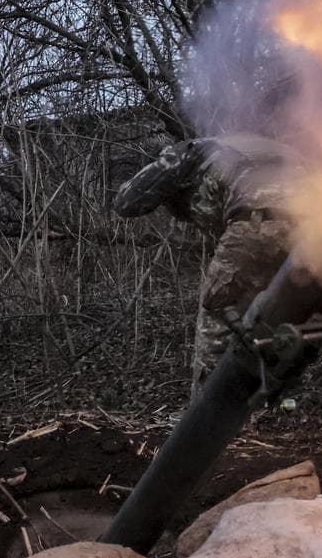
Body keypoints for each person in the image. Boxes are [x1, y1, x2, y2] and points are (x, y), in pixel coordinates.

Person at [114, 134, 297, 399]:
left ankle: (206, 415)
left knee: (218, 312)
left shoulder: (189, 151)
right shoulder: (262, 148)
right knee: (320, 314)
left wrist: (163, 175)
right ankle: (277, 392)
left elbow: (126, 202)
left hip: (259, 222)